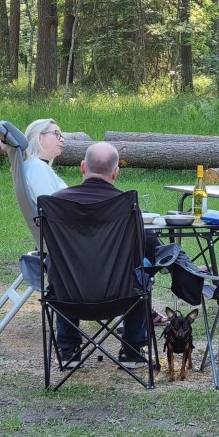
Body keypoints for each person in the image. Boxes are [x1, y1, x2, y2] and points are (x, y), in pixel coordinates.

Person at [50, 142, 150, 369]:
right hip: (119, 297)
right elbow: (138, 254)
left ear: (82, 167)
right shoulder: (128, 206)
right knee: (143, 270)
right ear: (116, 172)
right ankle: (132, 351)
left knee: (61, 267)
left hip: (68, 298)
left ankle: (67, 350)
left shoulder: (56, 202)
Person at [23, 118, 68, 205]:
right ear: (40, 137)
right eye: (56, 134)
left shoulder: (34, 165)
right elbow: (51, 206)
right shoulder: (36, 168)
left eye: (61, 135)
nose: (62, 139)